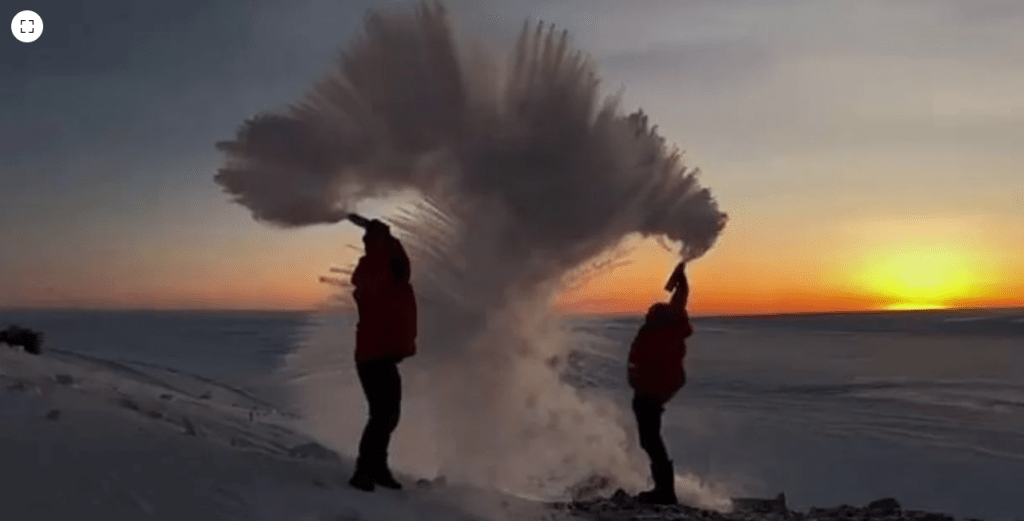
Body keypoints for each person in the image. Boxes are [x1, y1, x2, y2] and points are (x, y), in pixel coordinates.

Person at [346, 214, 418, 492]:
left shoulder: (394, 279)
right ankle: (364, 471)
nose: (401, 267)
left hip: (383, 355)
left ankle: (377, 467)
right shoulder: (373, 275)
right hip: (373, 356)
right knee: (381, 415)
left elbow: (400, 260)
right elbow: (380, 261)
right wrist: (376, 234)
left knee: (388, 415)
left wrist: (386, 237)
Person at [627, 261, 693, 505]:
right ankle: (664, 490)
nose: (647, 314)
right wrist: (681, 276)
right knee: (649, 439)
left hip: (652, 390)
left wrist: (642, 384)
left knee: (650, 439)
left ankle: (665, 492)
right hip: (652, 388)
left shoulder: (665, 330)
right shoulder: (667, 325)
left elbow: (678, 304)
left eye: (651, 313)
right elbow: (681, 298)